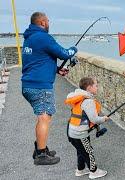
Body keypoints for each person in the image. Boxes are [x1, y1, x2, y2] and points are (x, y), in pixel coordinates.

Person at [21, 12, 78, 165]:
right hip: (40, 87)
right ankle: (41, 155)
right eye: (47, 21)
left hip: (29, 85)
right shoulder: (43, 37)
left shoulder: (29, 39)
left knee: (42, 117)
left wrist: (56, 70)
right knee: (44, 117)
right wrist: (74, 49)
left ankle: (41, 147)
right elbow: (64, 53)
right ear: (42, 22)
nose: (49, 23)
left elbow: (37, 62)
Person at [65, 77, 109, 179]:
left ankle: (80, 170)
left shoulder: (79, 96)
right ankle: (94, 172)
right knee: (89, 151)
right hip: (80, 134)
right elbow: (94, 119)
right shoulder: (88, 101)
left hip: (71, 132)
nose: (97, 88)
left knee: (81, 151)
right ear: (89, 88)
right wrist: (104, 118)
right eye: (96, 86)